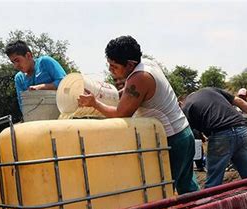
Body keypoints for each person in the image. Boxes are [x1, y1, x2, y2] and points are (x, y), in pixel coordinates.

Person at [77, 35, 199, 195]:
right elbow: (130, 91)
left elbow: (120, 114)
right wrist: (110, 94)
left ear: (130, 64)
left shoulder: (140, 77)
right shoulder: (146, 64)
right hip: (183, 133)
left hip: (173, 140)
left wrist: (95, 103)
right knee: (187, 187)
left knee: (164, 191)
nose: (110, 70)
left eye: (114, 66)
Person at [181, 87, 247, 188]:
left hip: (220, 135)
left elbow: (188, 133)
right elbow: (239, 101)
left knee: (214, 181)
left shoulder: (186, 107)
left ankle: (211, 201)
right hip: (242, 129)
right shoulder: (210, 90)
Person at [5, 40, 66, 113]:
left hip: (60, 115)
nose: (16, 66)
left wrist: (42, 87)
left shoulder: (45, 62)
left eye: (17, 60)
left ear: (28, 55)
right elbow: (23, 105)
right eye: (13, 62)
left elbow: (65, 83)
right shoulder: (19, 78)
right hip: (36, 120)